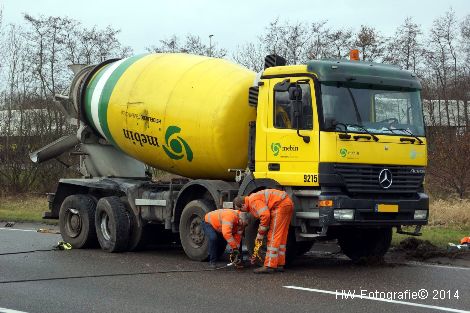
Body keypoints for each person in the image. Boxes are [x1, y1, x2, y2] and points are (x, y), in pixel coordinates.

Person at [233, 189, 294, 274]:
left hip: (280, 206)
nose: (243, 211)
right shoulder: (253, 198)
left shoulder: (252, 201)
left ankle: (269, 265)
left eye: (241, 210)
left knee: (272, 237)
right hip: (286, 203)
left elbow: (265, 215)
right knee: (281, 236)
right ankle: (279, 263)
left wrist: (261, 233)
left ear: (243, 205)